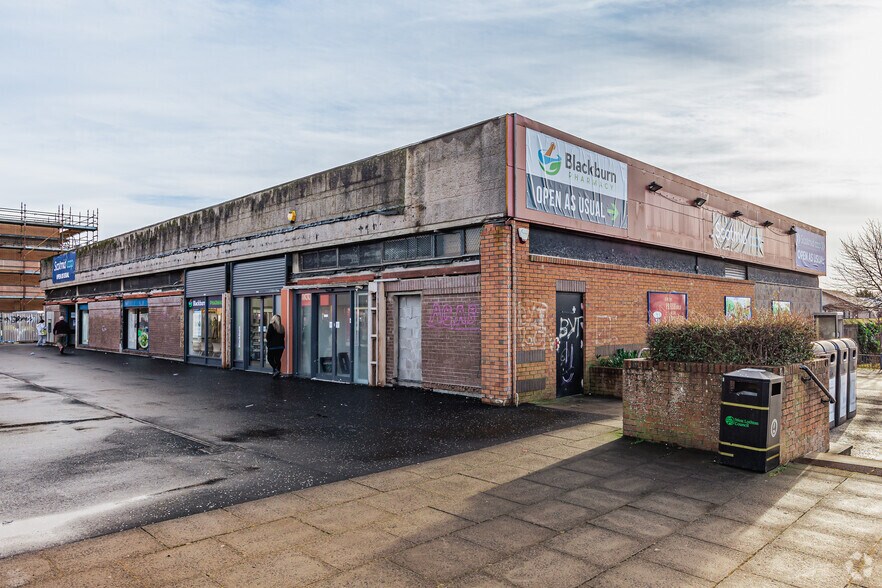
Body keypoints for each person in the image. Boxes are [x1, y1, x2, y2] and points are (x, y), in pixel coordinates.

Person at [265, 314, 285, 379]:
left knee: (270, 359)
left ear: (274, 319)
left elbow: (268, 336)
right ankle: (277, 373)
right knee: (278, 360)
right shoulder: (282, 327)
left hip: (272, 346)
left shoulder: (271, 326)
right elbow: (283, 337)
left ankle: (276, 370)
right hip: (281, 346)